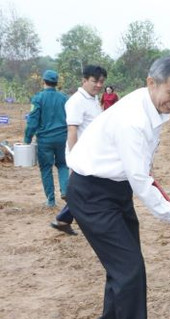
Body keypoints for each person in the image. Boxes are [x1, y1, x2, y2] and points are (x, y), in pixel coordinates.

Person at [66, 56, 170, 319]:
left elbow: (138, 170)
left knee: (123, 266)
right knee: (130, 270)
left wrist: (144, 170)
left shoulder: (151, 105)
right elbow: (141, 180)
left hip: (115, 190)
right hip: (92, 194)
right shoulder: (133, 118)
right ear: (151, 83)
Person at [50, 65, 107, 236]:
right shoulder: (76, 101)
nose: (98, 85)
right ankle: (65, 219)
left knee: (87, 190)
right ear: (84, 80)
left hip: (93, 154)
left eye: (101, 82)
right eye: (94, 81)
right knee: (86, 190)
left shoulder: (93, 99)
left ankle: (63, 219)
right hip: (82, 155)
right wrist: (75, 158)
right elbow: (72, 130)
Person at [23, 69, 68, 208]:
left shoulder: (38, 98)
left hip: (45, 140)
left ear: (44, 81)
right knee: (63, 165)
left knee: (46, 169)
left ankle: (50, 200)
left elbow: (32, 120)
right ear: (56, 83)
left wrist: (27, 138)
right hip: (62, 138)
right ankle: (65, 190)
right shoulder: (64, 98)